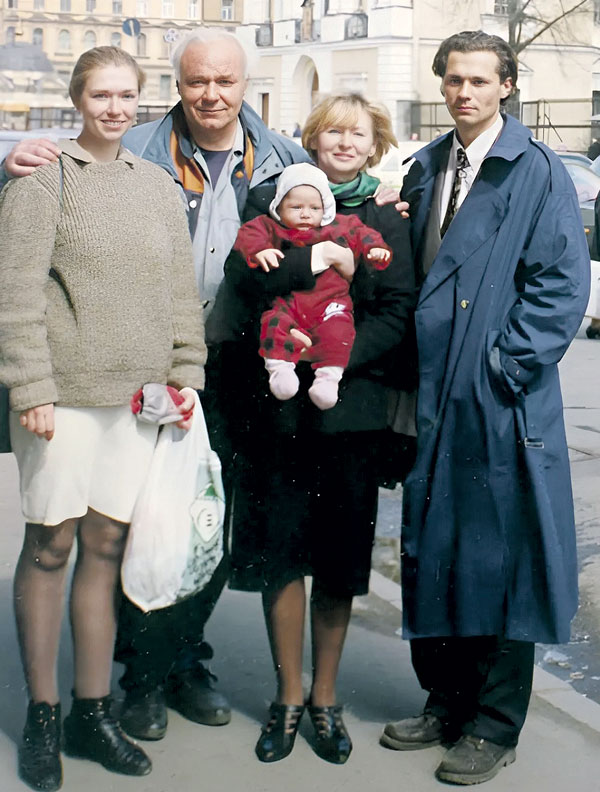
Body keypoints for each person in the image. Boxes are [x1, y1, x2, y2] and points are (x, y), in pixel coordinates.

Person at [0, 27, 311, 742]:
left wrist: (384, 203)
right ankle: (127, 684)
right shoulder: (118, 156)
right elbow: (19, 271)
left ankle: (171, 667)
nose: (212, 94)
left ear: (244, 86)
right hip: (104, 379)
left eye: (225, 81)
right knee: (89, 536)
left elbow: (327, 210)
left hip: (218, 368)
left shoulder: (279, 159)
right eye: (197, 80)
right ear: (175, 87)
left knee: (190, 523)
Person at [379, 30, 590, 786]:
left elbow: (561, 284)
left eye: (478, 80)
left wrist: (504, 367)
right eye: (453, 80)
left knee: (500, 559)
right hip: (434, 394)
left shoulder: (536, 170)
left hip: (496, 399)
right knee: (437, 550)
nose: (464, 92)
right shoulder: (428, 165)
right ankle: (446, 702)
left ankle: (494, 725)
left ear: (506, 86)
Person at [0, 46, 206, 792]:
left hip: (137, 402)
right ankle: (44, 716)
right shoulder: (42, 180)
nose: (114, 109)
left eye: (125, 96)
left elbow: (179, 292)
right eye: (100, 96)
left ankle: (93, 712)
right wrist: (30, 387)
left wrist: (186, 375)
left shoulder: (157, 185)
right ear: (78, 99)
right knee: (50, 544)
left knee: (107, 545)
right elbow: (16, 294)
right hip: (59, 401)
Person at [221, 92, 417, 764]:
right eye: (332, 131)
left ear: (375, 144)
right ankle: (287, 696)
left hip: (350, 412)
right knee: (280, 556)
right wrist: (318, 267)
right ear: (312, 138)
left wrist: (335, 357)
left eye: (357, 134)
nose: (344, 143)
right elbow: (243, 282)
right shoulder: (271, 204)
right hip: (278, 413)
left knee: (337, 561)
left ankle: (325, 698)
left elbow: (397, 310)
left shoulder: (385, 216)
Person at [234, 162, 392, 409]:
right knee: (274, 323)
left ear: (325, 208)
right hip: (288, 302)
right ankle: (280, 370)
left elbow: (364, 234)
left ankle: (328, 379)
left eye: (314, 208)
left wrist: (375, 249)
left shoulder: (340, 225)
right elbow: (248, 234)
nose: (306, 214)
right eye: (296, 207)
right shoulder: (271, 226)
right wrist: (260, 250)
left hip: (330, 303)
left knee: (339, 331)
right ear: (279, 207)